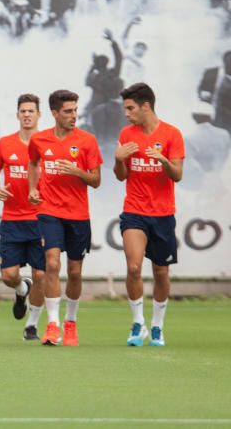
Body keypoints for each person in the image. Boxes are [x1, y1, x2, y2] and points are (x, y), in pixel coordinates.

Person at [27, 89, 102, 347]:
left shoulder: (87, 141)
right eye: (68, 111)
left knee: (74, 271)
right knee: (52, 264)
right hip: (49, 211)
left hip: (78, 214)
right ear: (55, 113)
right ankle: (53, 324)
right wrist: (33, 189)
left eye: (75, 110)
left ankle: (71, 322)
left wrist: (77, 171)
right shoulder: (39, 140)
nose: (73, 116)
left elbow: (96, 180)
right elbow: (33, 164)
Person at [114, 83, 184, 347]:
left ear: (146, 106)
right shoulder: (127, 134)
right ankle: (137, 322)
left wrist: (164, 161)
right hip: (134, 210)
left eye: (130, 108)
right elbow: (121, 176)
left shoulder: (172, 134)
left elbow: (177, 175)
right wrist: (119, 159)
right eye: (125, 109)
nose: (127, 113)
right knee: (133, 267)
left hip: (163, 214)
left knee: (161, 272)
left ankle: (157, 325)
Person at [0, 93, 46, 341]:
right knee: (9, 275)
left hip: (41, 219)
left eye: (31, 111)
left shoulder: (47, 143)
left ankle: (31, 324)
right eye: (23, 111)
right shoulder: (5, 144)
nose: (27, 115)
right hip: (12, 219)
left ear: (38, 114)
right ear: (17, 114)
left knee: (41, 274)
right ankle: (22, 289)